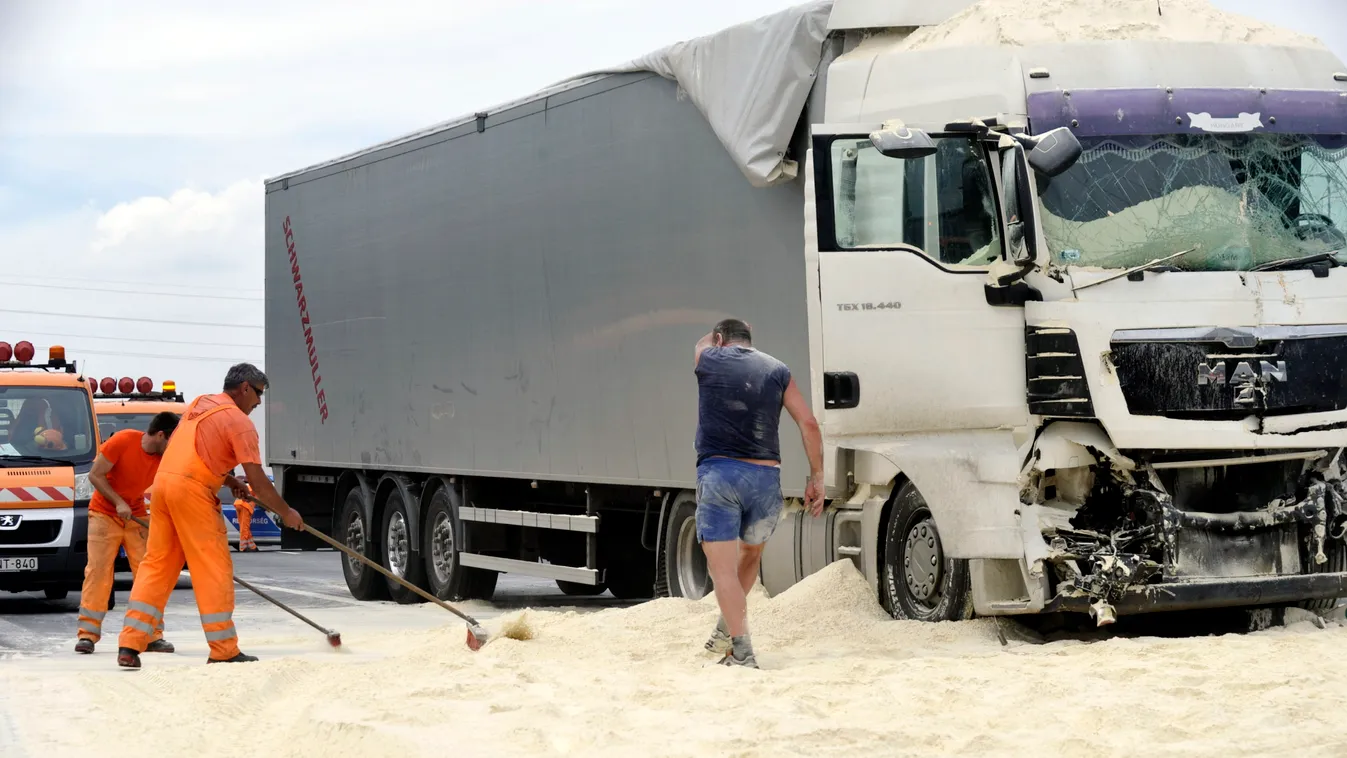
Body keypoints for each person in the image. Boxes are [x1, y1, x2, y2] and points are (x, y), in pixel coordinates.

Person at [115, 364, 304, 669]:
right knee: (212, 567)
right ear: (244, 388)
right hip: (191, 493)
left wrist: (230, 481)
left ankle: (129, 644)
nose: (258, 403)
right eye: (258, 395)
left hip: (163, 487)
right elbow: (259, 482)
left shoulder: (200, 404)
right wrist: (286, 513)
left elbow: (196, 452)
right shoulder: (239, 422)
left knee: (156, 567)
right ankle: (223, 648)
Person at [694, 318, 824, 668]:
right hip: (766, 479)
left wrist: (716, 335)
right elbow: (808, 423)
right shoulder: (777, 369)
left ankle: (742, 650)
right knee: (749, 557)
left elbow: (701, 344)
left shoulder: (709, 358)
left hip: (720, 475)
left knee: (721, 571)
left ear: (721, 339)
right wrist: (817, 477)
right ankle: (726, 628)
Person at [74, 411, 181, 654]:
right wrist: (117, 501)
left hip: (136, 516)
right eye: (171, 441)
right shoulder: (123, 441)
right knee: (98, 572)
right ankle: (87, 635)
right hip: (103, 514)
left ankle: (152, 635)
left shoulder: (165, 459)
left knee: (149, 574)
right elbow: (95, 475)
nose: (173, 448)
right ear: (161, 435)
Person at [233, 477, 258, 552]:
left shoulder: (251, 486)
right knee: (245, 527)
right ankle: (243, 547)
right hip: (245, 506)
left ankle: (252, 546)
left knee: (243, 526)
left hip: (238, 504)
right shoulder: (257, 488)